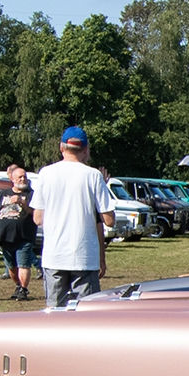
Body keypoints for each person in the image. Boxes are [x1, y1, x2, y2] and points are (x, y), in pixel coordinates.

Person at [30, 126, 115, 308]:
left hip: (54, 255)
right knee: (86, 314)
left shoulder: (46, 173)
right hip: (84, 256)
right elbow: (109, 219)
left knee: (54, 312)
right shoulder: (93, 175)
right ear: (86, 149)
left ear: (62, 147)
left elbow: (37, 218)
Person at [0, 167, 40, 301]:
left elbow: (36, 213)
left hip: (24, 236)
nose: (23, 179)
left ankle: (23, 289)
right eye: (20, 177)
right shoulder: (3, 194)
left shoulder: (32, 195)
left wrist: (22, 202)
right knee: (11, 266)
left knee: (23, 264)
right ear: (12, 179)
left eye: (24, 177)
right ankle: (18, 285)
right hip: (5, 237)